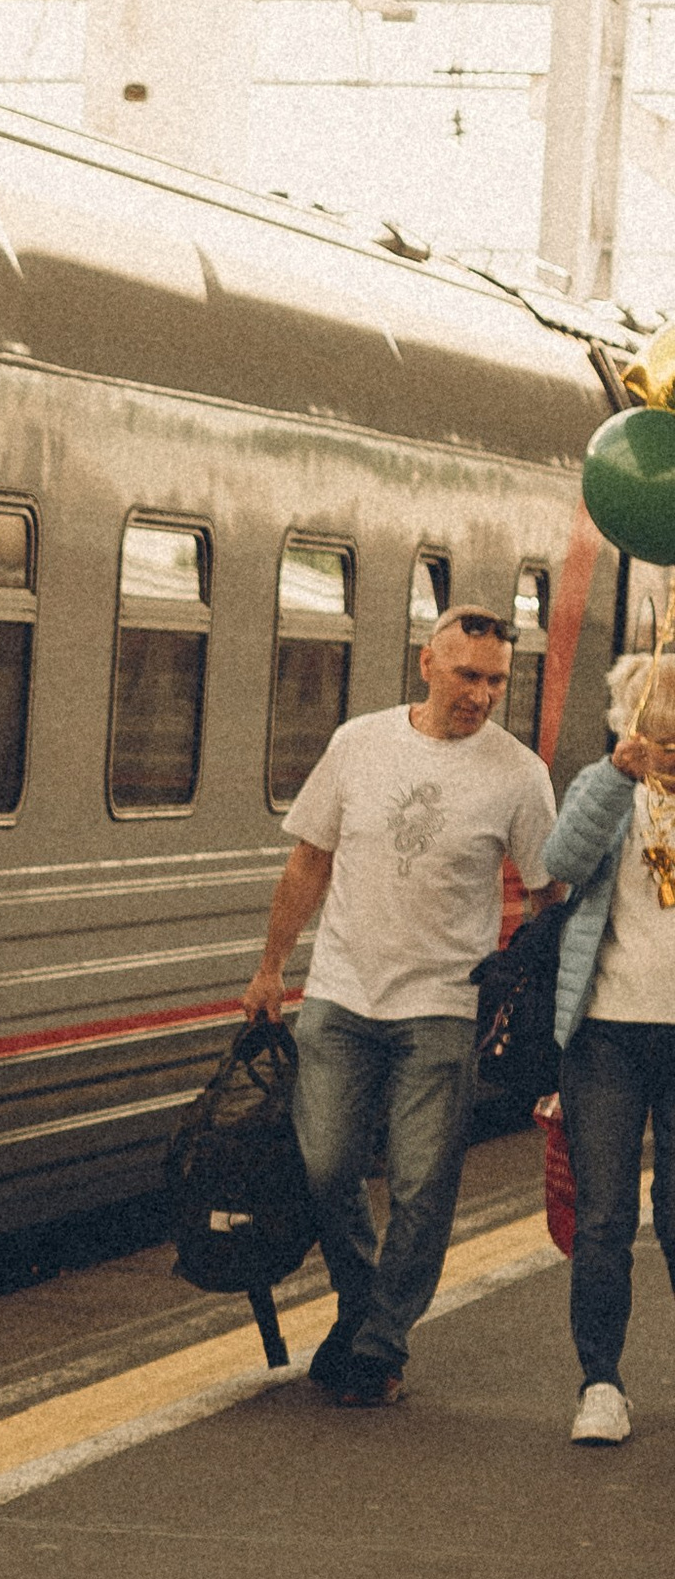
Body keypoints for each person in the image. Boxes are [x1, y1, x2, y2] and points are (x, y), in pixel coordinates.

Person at [245, 603, 559, 1409]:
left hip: (444, 1007)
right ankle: (361, 1306)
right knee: (326, 1165)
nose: (482, 695)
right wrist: (271, 966)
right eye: (468, 676)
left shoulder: (519, 774)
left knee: (423, 1186)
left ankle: (379, 1343)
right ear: (427, 664)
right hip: (343, 993)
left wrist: (523, 978)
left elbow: (550, 890)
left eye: (496, 682)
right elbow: (309, 860)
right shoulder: (359, 744)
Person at [540, 643, 675, 1442]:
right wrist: (615, 778)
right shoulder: (608, 789)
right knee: (603, 1219)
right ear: (628, 730)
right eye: (657, 732)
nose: (669, 748)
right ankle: (600, 1384)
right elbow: (559, 861)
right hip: (607, 1036)